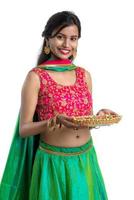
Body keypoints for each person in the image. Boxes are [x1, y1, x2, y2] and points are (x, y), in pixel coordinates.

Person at [0, 11, 118, 200]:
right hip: (53, 163)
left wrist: (99, 116)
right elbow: (24, 129)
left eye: (73, 38)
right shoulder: (36, 77)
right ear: (48, 40)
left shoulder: (84, 75)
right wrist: (51, 122)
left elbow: (82, 119)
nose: (66, 45)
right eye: (60, 37)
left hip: (85, 160)